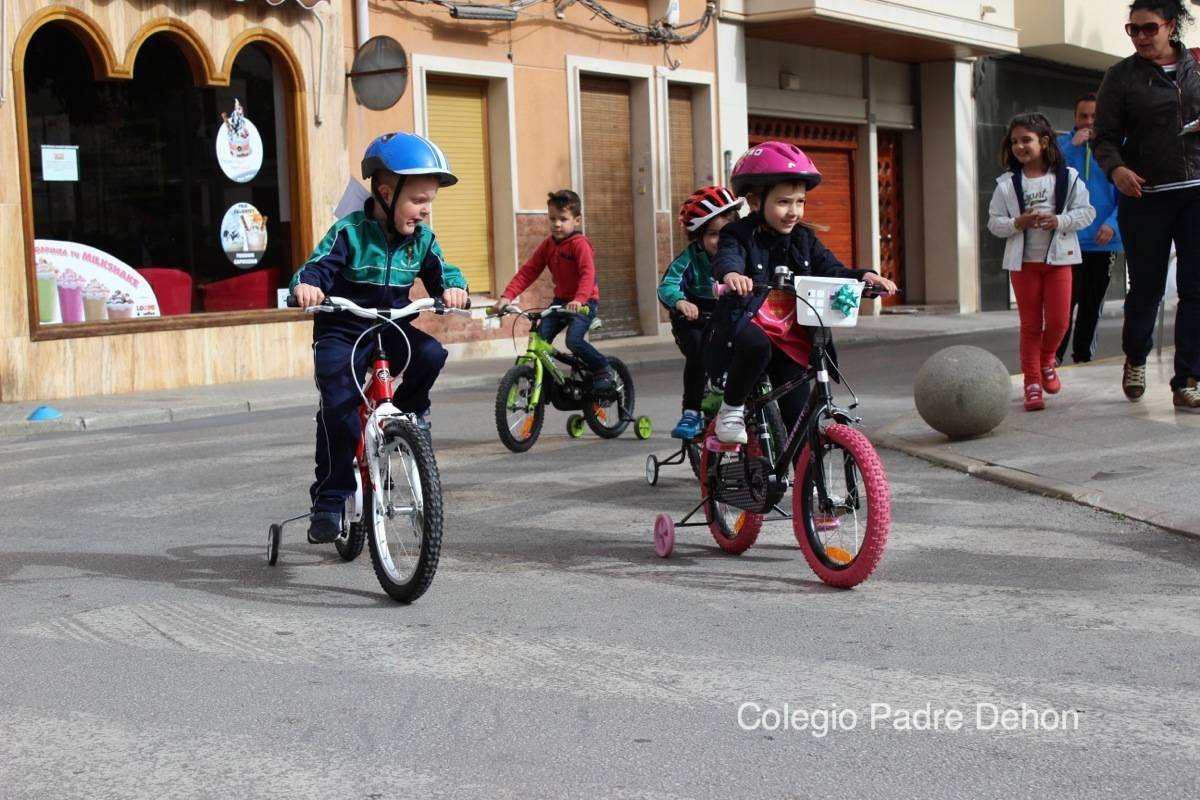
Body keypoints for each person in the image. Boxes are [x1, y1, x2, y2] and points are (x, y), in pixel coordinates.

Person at [290, 132, 470, 544]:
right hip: (343, 326)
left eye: (430, 202)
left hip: (391, 325)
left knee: (431, 354)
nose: (425, 211)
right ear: (386, 194)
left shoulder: (421, 240)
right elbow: (314, 268)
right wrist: (307, 287)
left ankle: (410, 414)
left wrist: (452, 289)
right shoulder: (349, 233)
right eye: (418, 201)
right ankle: (330, 499)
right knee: (338, 408)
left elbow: (444, 271)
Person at [707, 142, 897, 444]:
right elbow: (727, 256)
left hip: (789, 332)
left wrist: (865, 277)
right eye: (784, 202)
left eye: (800, 202)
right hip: (749, 323)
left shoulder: (805, 239)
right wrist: (732, 274)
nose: (793, 211)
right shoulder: (737, 234)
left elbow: (832, 269)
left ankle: (808, 481)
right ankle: (731, 410)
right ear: (756, 202)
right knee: (757, 348)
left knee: (800, 418)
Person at [1094, 0, 1200, 412]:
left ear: (1170, 26)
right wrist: (1116, 169)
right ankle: (1136, 357)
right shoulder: (1120, 77)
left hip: (1195, 191)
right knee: (1147, 286)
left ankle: (1187, 377)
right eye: (1132, 29)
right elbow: (1103, 137)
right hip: (1145, 195)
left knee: (1196, 288)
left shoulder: (1196, 67)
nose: (1140, 36)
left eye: (1148, 28)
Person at [987, 112, 1095, 411]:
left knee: (1060, 322)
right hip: (1024, 265)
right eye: (1014, 142)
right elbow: (994, 223)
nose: (1020, 147)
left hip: (1060, 261)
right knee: (1031, 325)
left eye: (1026, 140)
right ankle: (1031, 383)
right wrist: (1017, 223)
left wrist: (1059, 220)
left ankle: (1048, 358)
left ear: (1044, 141)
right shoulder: (1007, 185)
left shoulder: (1067, 177)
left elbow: (1087, 213)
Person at [494, 190, 612, 390]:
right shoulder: (548, 245)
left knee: (573, 341)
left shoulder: (579, 244)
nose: (557, 224)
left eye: (563, 219)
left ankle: (602, 368)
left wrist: (580, 299)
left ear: (576, 220)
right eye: (552, 219)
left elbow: (587, 274)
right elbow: (528, 272)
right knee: (540, 339)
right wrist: (507, 297)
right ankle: (545, 383)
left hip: (584, 302)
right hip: (560, 302)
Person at [657, 185, 744, 439]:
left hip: (726, 318)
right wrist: (680, 302)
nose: (720, 240)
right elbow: (667, 285)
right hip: (694, 320)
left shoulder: (741, 254)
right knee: (698, 355)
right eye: (713, 234)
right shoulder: (691, 258)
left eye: (726, 233)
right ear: (699, 236)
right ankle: (691, 411)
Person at [1056, 92, 1123, 365]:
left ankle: (1083, 357)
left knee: (1091, 305)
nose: (1088, 121)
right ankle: (1054, 357)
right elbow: (1051, 181)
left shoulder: (1118, 148)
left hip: (1102, 240)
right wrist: (1073, 148)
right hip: (1068, 238)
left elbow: (1128, 193)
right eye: (1083, 115)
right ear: (1074, 117)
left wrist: (1113, 225)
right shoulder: (1061, 146)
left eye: (1094, 116)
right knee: (1063, 303)